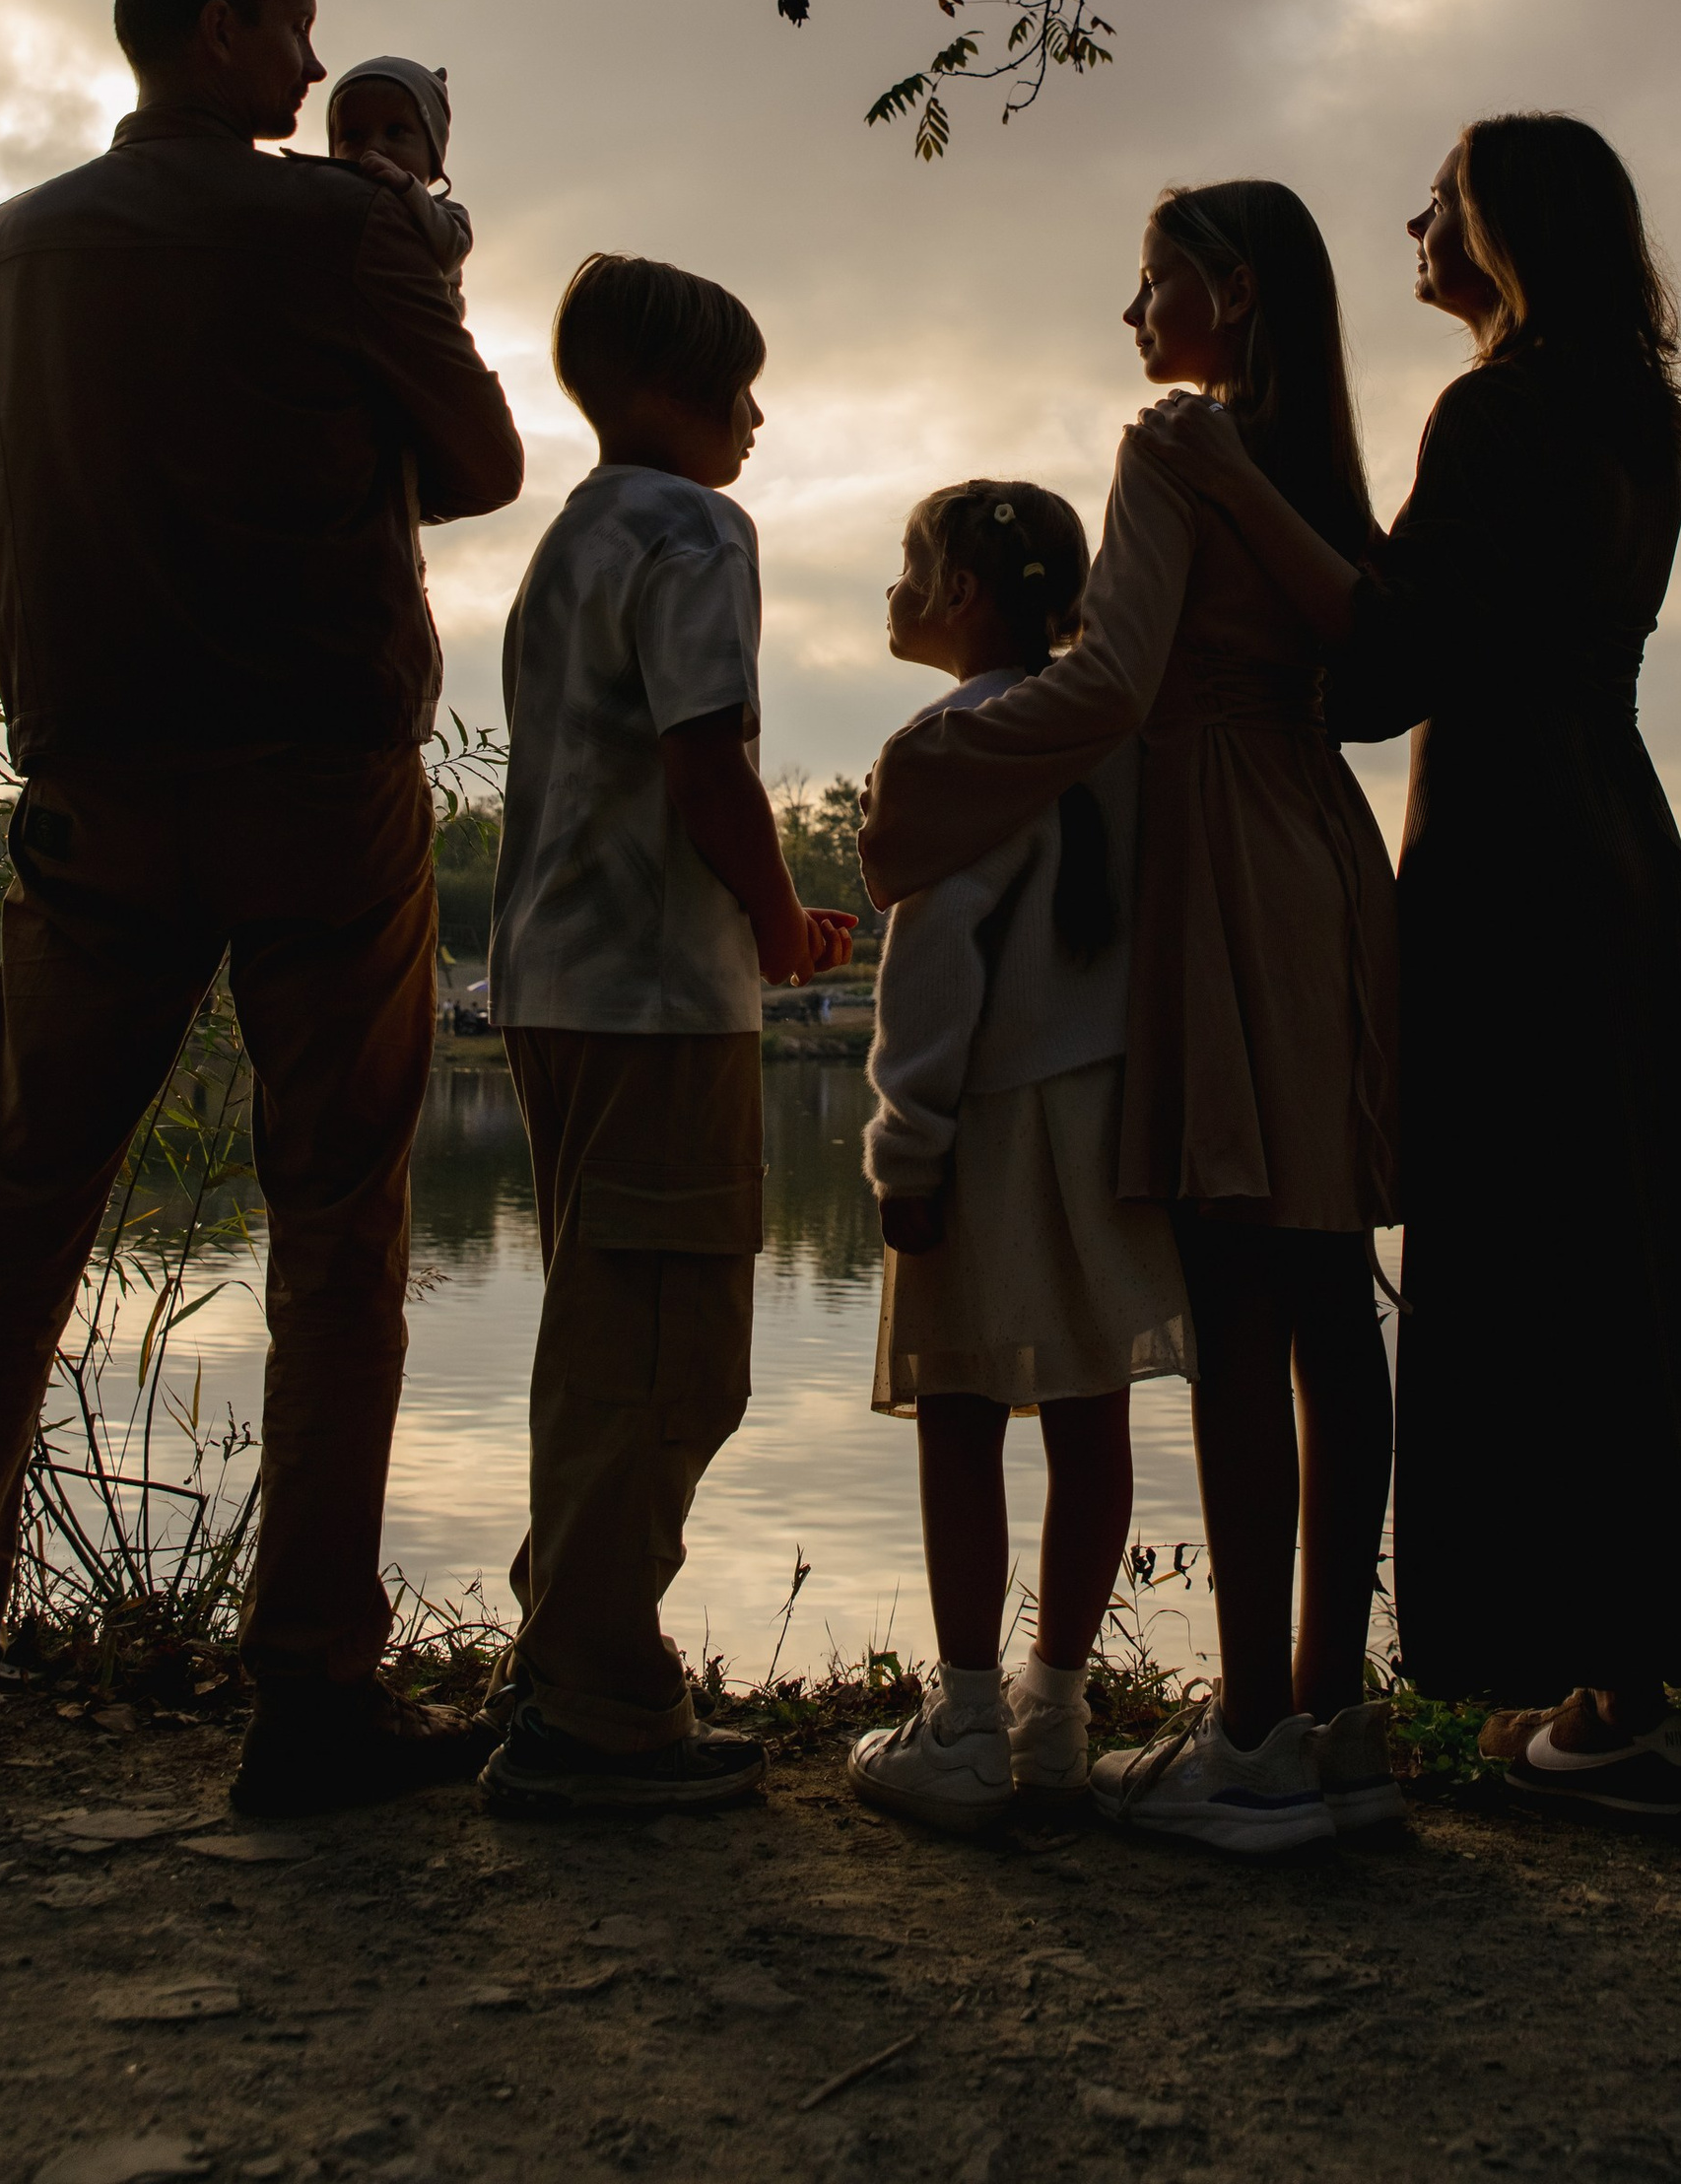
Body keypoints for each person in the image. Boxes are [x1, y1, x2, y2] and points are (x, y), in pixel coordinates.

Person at [0, 0, 525, 1812]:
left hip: (91, 803)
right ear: (221, 28)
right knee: (337, 1234)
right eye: (297, 28)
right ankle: (308, 1698)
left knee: (16, 1227)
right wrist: (409, 255)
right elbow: (479, 465)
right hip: (318, 792)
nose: (318, 72)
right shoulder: (343, 230)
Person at [1138, 114, 1681, 1823]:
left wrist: (1235, 488)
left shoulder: (1495, 410)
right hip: (1612, 834)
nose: (1415, 218)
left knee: (1530, 1254)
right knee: (1629, 1247)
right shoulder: (1638, 422)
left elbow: (1388, 666)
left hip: (1506, 859)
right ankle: (1654, 1668)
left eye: (1444, 200)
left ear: (1509, 231)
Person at [862, 183, 1401, 1859]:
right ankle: (1333, 1707)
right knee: (1328, 1290)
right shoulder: (1312, 457)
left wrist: (929, 778)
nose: (1132, 311)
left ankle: (1247, 1734)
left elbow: (1105, 685)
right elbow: (1377, 675)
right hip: (1327, 845)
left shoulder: (1180, 446)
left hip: (1227, 857)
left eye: (1154, 280)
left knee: (1244, 1290)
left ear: (1225, 295)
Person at [477, 251, 856, 1818]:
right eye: (736, 391)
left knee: (598, 1335)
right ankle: (596, 1703)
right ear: (660, 396)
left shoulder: (564, 542)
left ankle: (571, 1650)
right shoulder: (697, 528)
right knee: (668, 1350)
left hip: (550, 989)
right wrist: (776, 928)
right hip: (651, 1003)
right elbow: (709, 762)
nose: (756, 420)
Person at [847, 481, 1192, 1838]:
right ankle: (1060, 1709)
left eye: (908, 570)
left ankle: (968, 1715)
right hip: (1106, 1124)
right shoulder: (1111, 738)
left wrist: (904, 1146)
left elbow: (935, 969)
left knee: (960, 1416)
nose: (894, 593)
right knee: (1094, 1412)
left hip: (990, 1126)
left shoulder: (950, 744)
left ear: (965, 601)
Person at [327, 54, 472, 313]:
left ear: (432, 153)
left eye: (394, 131)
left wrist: (409, 190)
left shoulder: (448, 214)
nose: (373, 147)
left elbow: (453, 251)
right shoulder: (334, 207)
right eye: (353, 136)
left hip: (424, 336)